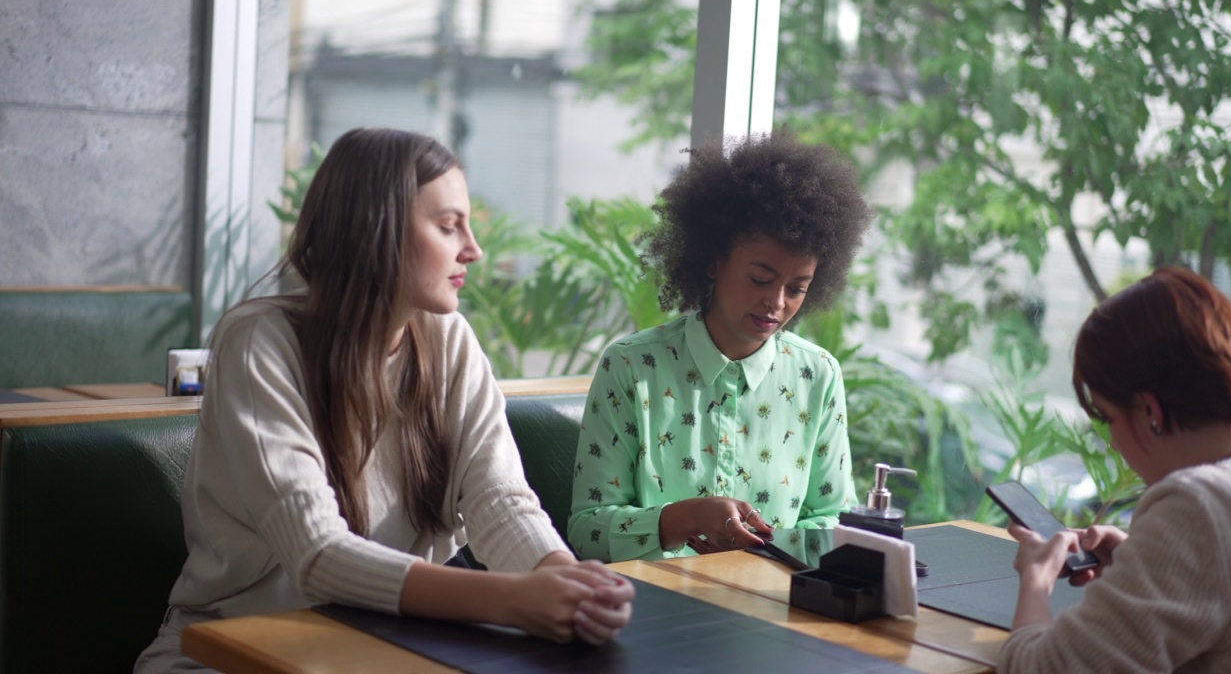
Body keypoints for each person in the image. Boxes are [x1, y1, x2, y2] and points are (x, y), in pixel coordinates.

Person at [136, 127, 634, 672]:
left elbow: (500, 500)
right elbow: (319, 555)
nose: (474, 249)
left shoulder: (450, 340)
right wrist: (515, 600)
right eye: (448, 227)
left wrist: (563, 579)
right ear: (377, 229)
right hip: (230, 651)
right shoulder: (259, 342)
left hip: (387, 649)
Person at [567, 130, 874, 562]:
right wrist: (683, 519)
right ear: (712, 260)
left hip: (771, 606)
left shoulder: (817, 375)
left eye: (797, 288)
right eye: (761, 279)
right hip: (656, 612)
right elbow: (587, 532)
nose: (777, 302)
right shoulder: (631, 368)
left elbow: (831, 517)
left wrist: (773, 555)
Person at [1000, 266, 1231, 672]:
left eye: (1110, 418)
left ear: (1150, 412)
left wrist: (1036, 577)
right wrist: (1144, 559)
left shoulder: (1199, 507)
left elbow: (1042, 669)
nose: (1113, 441)